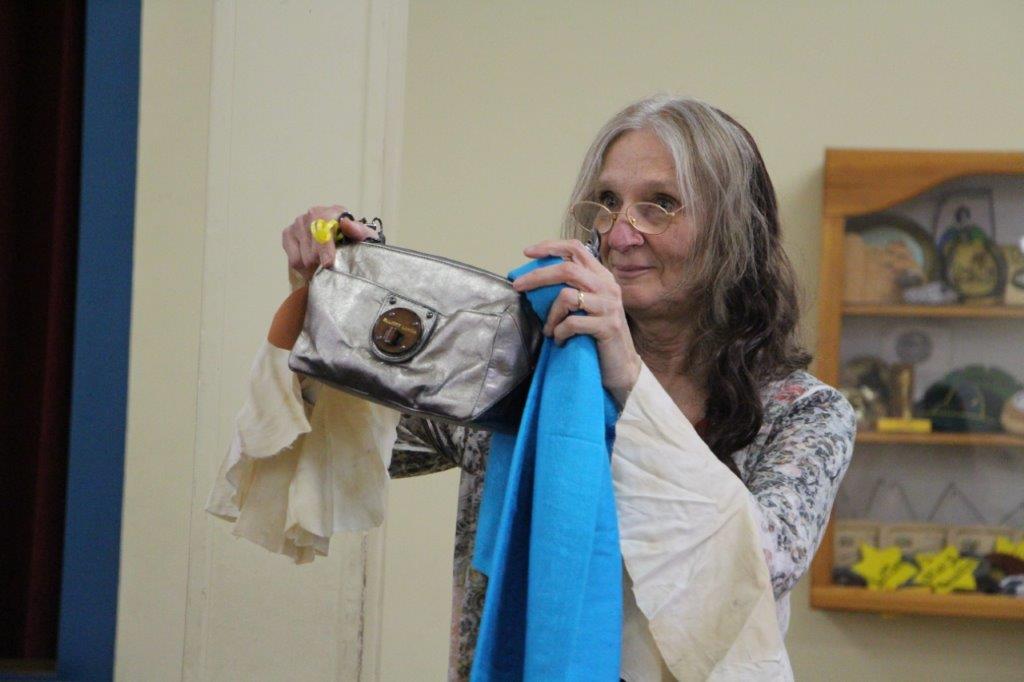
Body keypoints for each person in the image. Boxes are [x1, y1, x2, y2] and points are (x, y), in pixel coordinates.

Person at [274, 95, 856, 680]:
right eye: (607, 203)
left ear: (735, 231)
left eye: (661, 205)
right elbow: (373, 445)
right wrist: (339, 297)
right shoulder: (519, 369)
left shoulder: (805, 413)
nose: (621, 234)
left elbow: (760, 566)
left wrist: (629, 381)